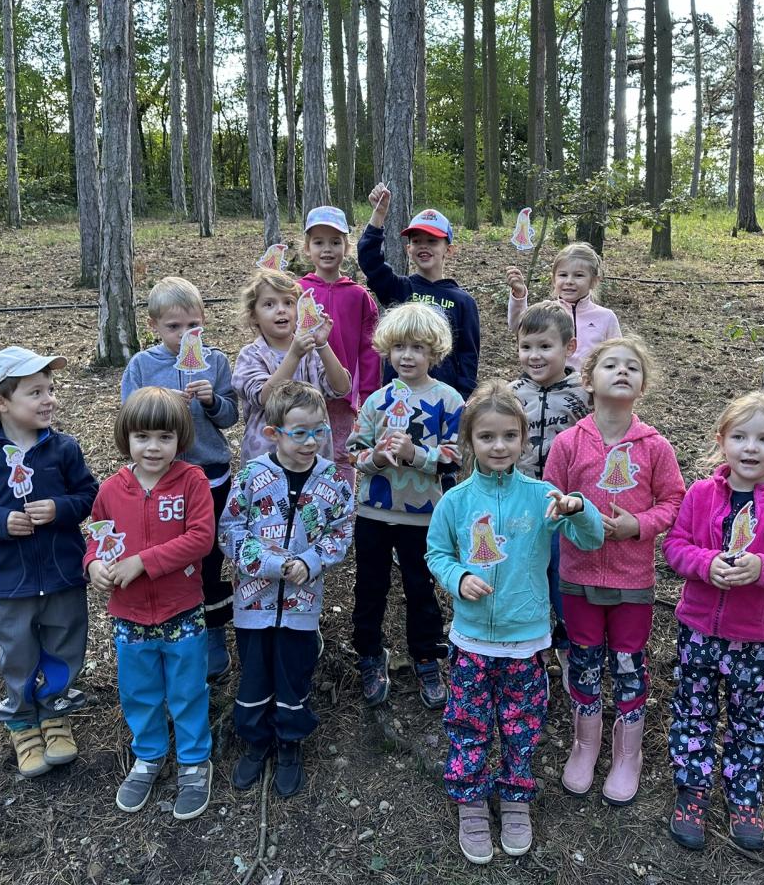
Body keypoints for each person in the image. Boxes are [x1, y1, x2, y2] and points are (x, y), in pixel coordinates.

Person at [426, 379, 604, 864]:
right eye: (487, 437)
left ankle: (515, 795)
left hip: (526, 640)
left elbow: (590, 540)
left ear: (524, 439)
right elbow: (437, 553)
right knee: (468, 721)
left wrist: (579, 507)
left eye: (509, 436)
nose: (499, 446)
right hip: (471, 640)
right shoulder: (456, 501)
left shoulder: (543, 496)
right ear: (470, 441)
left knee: (521, 723)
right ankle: (470, 798)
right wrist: (459, 577)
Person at [663, 391, 764, 851]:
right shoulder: (700, 494)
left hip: (758, 636)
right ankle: (693, 787)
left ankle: (743, 793)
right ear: (722, 441)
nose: (751, 448)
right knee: (694, 708)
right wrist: (705, 563)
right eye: (740, 437)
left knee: (750, 716)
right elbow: (675, 547)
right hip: (699, 629)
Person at [542, 335, 685, 806]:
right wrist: (569, 511)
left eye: (632, 367)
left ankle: (628, 754)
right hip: (578, 578)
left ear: (642, 386)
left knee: (628, 664)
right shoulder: (568, 443)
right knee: (583, 660)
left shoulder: (654, 447)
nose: (622, 371)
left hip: (632, 582)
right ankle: (585, 745)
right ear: (589, 380)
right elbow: (549, 497)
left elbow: (674, 501)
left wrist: (637, 525)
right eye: (610, 365)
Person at [0, 346, 97, 778]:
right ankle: (22, 721)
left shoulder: (64, 449)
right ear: (1, 402)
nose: (49, 399)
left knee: (65, 642)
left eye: (50, 389)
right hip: (12, 581)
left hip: (63, 573)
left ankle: (55, 712)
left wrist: (59, 508)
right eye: (35, 392)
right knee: (18, 651)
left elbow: (89, 495)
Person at [85, 388, 216, 820]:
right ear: (126, 438)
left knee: (187, 688)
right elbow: (97, 538)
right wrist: (94, 565)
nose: (153, 447)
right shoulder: (111, 490)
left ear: (181, 438)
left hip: (182, 609)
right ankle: (149, 755)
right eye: (142, 437)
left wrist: (143, 561)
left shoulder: (192, 481)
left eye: (164, 437)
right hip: (129, 614)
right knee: (138, 690)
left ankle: (194, 761)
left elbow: (201, 538)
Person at [221, 381, 355, 798]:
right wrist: (272, 564)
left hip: (302, 606)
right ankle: (255, 741)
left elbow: (341, 530)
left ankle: (290, 742)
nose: (311, 441)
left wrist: (310, 562)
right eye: (299, 433)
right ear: (273, 433)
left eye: (318, 431)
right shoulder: (252, 477)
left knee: (293, 672)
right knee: (255, 673)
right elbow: (229, 530)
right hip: (253, 604)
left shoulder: (333, 481)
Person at [121, 276, 241, 682]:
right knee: (169, 554)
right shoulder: (142, 366)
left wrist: (212, 400)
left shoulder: (216, 362)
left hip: (210, 474)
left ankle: (212, 632)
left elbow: (230, 416)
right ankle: (168, 630)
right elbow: (129, 419)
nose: (184, 334)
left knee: (210, 556)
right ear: (154, 325)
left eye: (193, 325)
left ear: (203, 321)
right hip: (160, 479)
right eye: (174, 326)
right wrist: (161, 405)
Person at [347, 302, 465, 709]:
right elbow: (354, 451)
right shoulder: (377, 401)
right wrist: (377, 459)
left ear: (434, 352)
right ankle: (369, 653)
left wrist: (418, 455)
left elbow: (457, 456)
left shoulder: (449, 400)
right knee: (370, 587)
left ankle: (427, 656)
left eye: (417, 347)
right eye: (399, 347)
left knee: (421, 587)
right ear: (387, 350)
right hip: (374, 513)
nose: (407, 356)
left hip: (425, 516)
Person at [508, 302, 590, 680]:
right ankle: (532, 644)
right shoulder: (511, 395)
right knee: (527, 571)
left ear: (569, 347)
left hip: (566, 503)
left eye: (545, 346)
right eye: (526, 347)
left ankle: (568, 643)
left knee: (562, 574)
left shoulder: (584, 394)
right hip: (521, 500)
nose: (534, 355)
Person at [356, 183, 479, 400]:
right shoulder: (399, 289)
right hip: (398, 399)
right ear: (408, 249)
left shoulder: (463, 302)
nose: (424, 246)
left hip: (441, 402)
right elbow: (370, 261)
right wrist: (379, 215)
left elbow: (468, 356)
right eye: (416, 241)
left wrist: (461, 400)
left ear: (449, 250)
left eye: (432, 241)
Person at [297, 205, 382, 490]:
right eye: (318, 242)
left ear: (346, 247)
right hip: (302, 391)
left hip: (343, 396)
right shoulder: (296, 291)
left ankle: (340, 506)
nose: (327, 249)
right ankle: (305, 504)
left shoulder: (359, 296)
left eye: (335, 242)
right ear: (307, 248)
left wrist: (368, 396)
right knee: (303, 449)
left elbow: (369, 350)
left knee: (343, 453)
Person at [232, 266, 352, 463]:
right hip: (267, 457)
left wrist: (322, 345)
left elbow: (341, 388)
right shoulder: (251, 355)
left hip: (312, 452)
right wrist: (294, 355)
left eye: (288, 302)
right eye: (269, 304)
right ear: (253, 316)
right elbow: (264, 398)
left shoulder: (312, 351)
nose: (281, 309)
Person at [506, 242, 622, 369]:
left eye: (578, 275)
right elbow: (519, 326)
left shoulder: (606, 317)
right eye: (563, 275)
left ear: (594, 281)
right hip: (551, 380)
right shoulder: (546, 311)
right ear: (554, 279)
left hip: (591, 381)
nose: (569, 281)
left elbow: (617, 356)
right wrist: (519, 295)